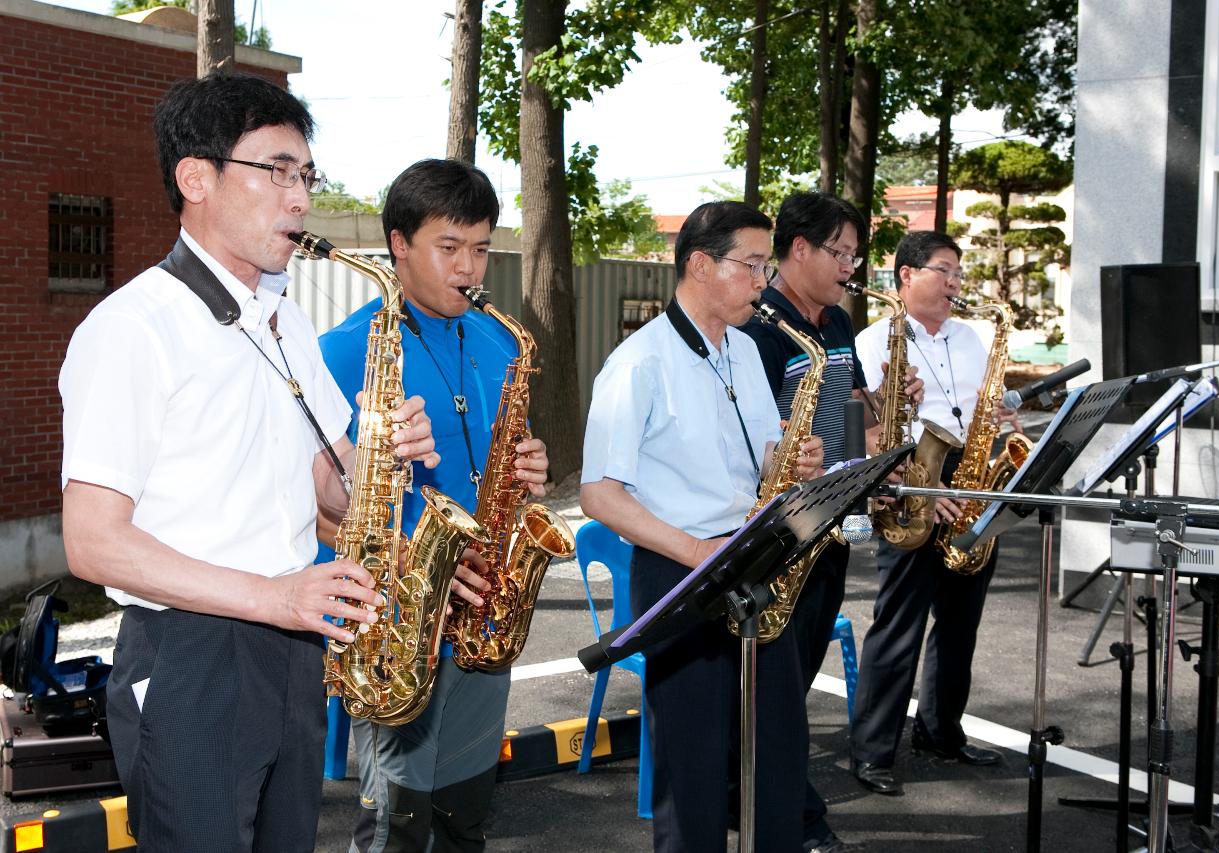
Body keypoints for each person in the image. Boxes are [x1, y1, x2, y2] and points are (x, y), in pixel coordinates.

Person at [59, 73, 438, 852]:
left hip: (292, 645)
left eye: (307, 175)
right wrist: (274, 595)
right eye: (276, 171)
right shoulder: (133, 327)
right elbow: (93, 541)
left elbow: (329, 494)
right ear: (195, 177)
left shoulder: (286, 318)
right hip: (193, 653)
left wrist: (380, 461)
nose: (299, 199)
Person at [318, 159, 549, 853]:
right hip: (401, 617)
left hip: (484, 603)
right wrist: (419, 563)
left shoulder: (500, 340)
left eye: (480, 248)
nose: (470, 268)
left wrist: (527, 464)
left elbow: (498, 454)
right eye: (450, 248)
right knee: (397, 824)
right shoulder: (343, 351)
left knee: (462, 813)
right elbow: (322, 509)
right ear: (398, 244)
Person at [580, 201, 825, 853]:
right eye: (750, 265)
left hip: (750, 561)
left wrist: (790, 459)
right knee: (692, 766)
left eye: (764, 266)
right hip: (679, 571)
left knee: (777, 749)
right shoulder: (638, 363)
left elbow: (756, 457)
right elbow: (599, 491)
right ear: (698, 264)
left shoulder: (745, 351)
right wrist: (698, 551)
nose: (762, 280)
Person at [849, 230, 1021, 796]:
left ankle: (941, 731)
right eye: (944, 270)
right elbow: (876, 435)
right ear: (906, 274)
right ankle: (872, 752)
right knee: (898, 627)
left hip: (969, 490)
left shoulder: (971, 339)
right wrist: (927, 486)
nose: (955, 282)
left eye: (958, 272)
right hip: (912, 494)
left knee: (960, 624)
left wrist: (998, 428)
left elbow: (975, 415)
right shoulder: (874, 341)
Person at [736, 191, 876, 853]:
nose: (851, 264)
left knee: (801, 670)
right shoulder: (762, 328)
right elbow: (742, 430)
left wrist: (873, 423)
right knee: (779, 693)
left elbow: (851, 403)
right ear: (799, 250)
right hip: (780, 528)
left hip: (834, 519)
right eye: (839, 251)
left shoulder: (840, 323)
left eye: (855, 252)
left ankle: (766, 798)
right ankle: (791, 817)